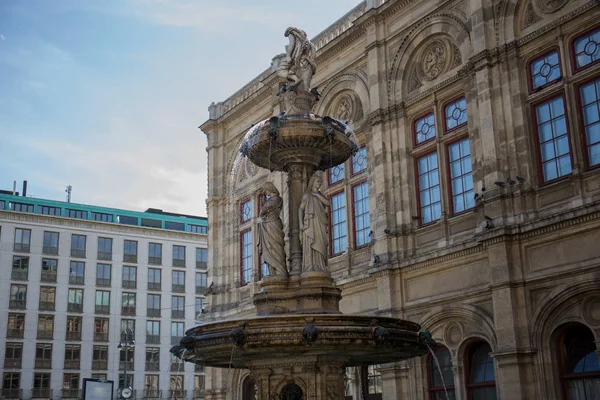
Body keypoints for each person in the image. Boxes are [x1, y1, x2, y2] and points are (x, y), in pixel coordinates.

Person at [299, 172, 330, 272]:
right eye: (318, 181)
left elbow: (328, 203)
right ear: (312, 183)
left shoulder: (319, 195)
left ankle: (320, 265)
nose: (320, 183)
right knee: (312, 242)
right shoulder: (307, 196)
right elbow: (300, 209)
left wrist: (316, 194)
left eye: (320, 181)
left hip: (320, 222)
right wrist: (301, 223)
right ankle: (312, 265)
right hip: (311, 224)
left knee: (321, 244)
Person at [257, 182, 287, 276]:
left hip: (273, 225)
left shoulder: (276, 199)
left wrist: (263, 202)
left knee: (276, 247)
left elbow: (262, 211)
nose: (266, 193)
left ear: (270, 189)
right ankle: (272, 272)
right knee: (269, 249)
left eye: (266, 191)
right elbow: (263, 211)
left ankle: (280, 271)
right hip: (268, 225)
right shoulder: (270, 200)